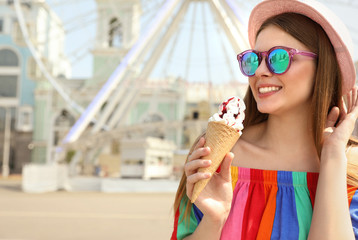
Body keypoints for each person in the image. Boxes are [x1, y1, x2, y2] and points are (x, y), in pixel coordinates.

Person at [171, 0, 358, 239]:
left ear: (322, 67)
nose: (260, 70)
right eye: (254, 59)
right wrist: (214, 220)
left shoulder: (350, 168)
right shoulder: (217, 158)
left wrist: (332, 158)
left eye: (279, 58)